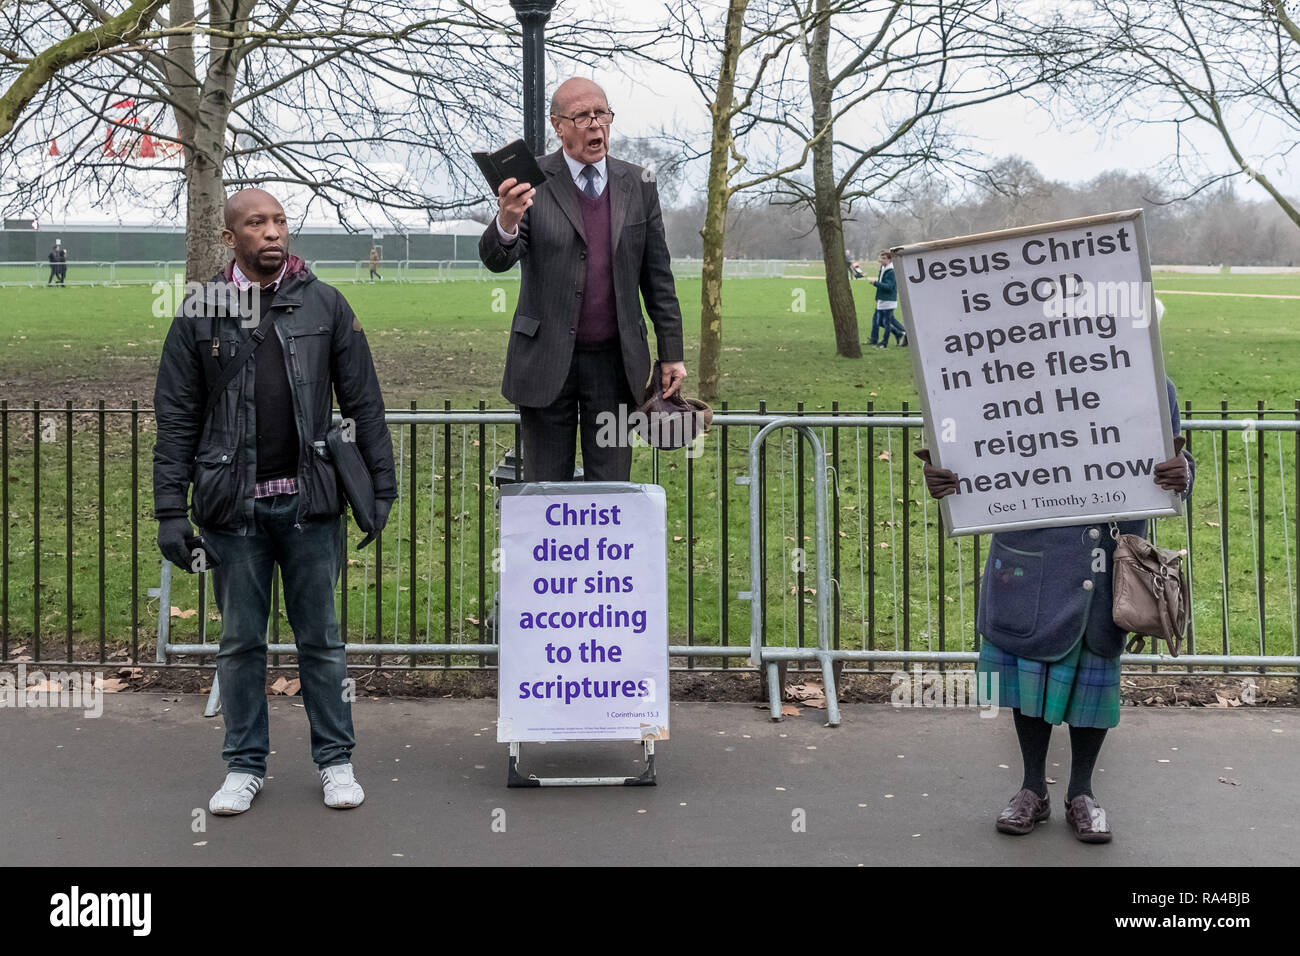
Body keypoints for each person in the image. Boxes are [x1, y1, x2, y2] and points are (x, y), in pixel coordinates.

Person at [152, 188, 396, 816]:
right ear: (230, 238)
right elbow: (177, 415)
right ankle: (243, 765)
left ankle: (336, 761)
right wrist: (170, 510)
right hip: (232, 509)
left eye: (279, 220)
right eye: (256, 223)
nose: (272, 231)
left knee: (322, 640)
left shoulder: (326, 304)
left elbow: (364, 403)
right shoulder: (199, 312)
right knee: (239, 644)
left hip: (310, 504)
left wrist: (382, 487)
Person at [916, 372, 1194, 844]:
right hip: (1030, 556)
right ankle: (1031, 789)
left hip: (1104, 562)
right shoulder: (997, 377)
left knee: (1094, 679)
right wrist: (944, 476)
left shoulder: (1148, 378)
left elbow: (1176, 464)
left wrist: (1181, 473)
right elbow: (971, 454)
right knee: (1029, 675)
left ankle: (1081, 793)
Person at [479, 76, 687, 481]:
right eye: (582, 117)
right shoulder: (532, 181)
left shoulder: (638, 184)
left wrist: (671, 352)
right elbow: (497, 259)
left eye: (602, 114)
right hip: (545, 363)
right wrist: (506, 220)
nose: (595, 125)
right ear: (558, 125)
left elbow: (658, 277)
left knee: (611, 489)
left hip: (614, 367)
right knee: (547, 489)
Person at [868, 250, 905, 347]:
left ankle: (884, 342)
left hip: (888, 300)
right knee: (880, 321)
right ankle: (899, 334)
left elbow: (889, 287)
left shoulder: (891, 271)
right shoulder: (883, 268)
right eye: (881, 258)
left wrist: (875, 283)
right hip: (881, 300)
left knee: (886, 322)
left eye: (884, 258)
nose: (882, 260)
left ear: (890, 260)